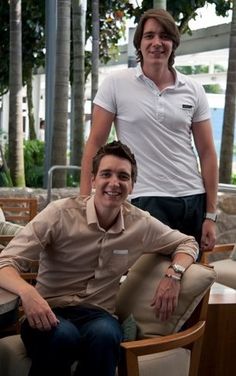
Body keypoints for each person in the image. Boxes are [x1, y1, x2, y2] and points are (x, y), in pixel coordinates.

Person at [0, 141, 198, 376]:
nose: (114, 183)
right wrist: (28, 293)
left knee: (106, 335)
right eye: (106, 174)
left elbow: (188, 242)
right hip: (49, 310)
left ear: (132, 185)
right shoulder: (59, 214)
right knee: (64, 335)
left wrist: (174, 274)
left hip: (98, 316)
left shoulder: (141, 224)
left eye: (123, 176)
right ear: (93, 180)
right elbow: (5, 262)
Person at [80, 8, 218, 256]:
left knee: (190, 283)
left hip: (192, 200)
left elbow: (207, 153)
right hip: (145, 200)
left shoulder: (193, 89)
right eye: (149, 36)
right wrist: (83, 203)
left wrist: (210, 215)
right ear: (139, 44)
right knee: (145, 286)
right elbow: (94, 145)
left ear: (173, 44)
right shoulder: (116, 83)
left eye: (164, 36)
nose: (157, 43)